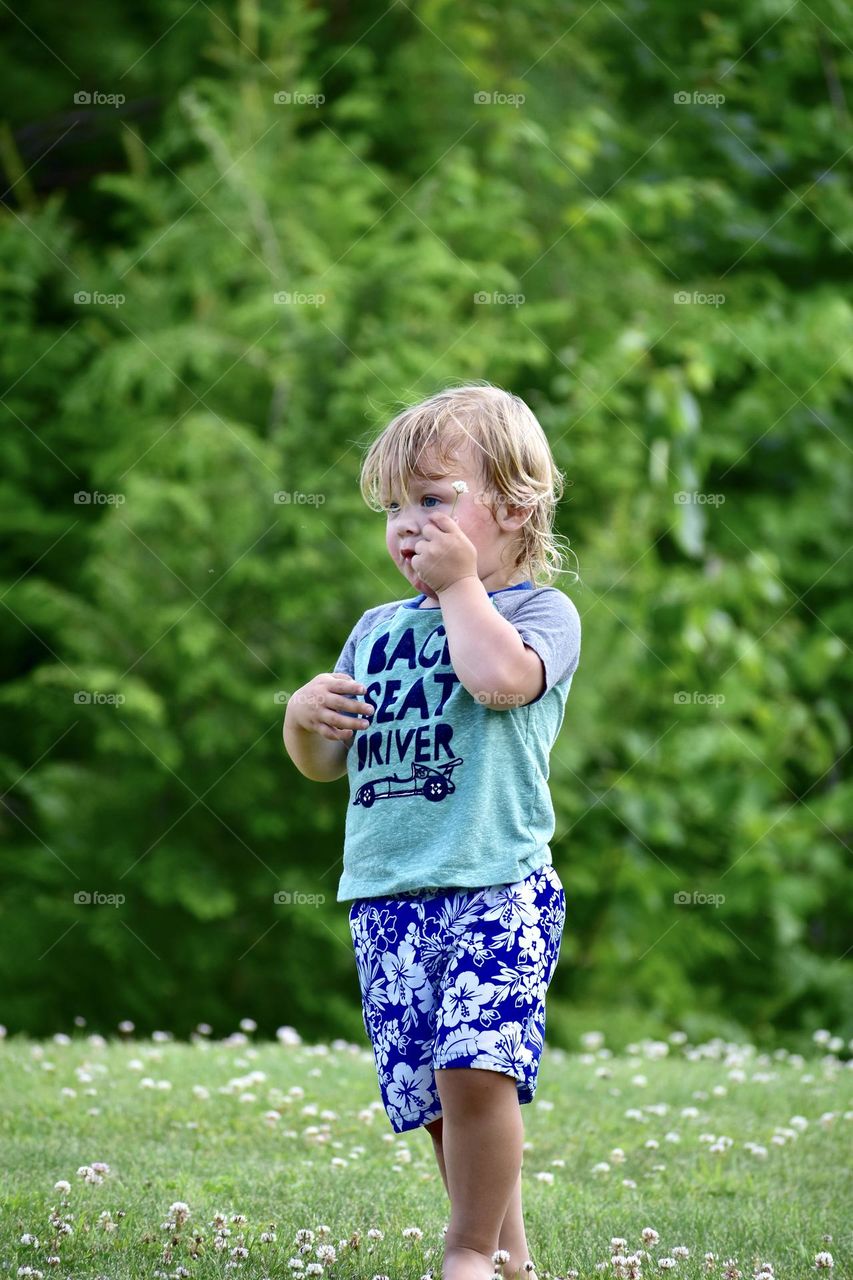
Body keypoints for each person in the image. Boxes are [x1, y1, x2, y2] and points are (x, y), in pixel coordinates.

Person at [283, 383, 582, 1280]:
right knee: (439, 1097)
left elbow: (497, 682)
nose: (408, 524)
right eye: (394, 507)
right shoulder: (374, 631)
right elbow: (324, 764)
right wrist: (303, 720)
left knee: (476, 1070)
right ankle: (509, 1258)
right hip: (388, 897)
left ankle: (463, 1254)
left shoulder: (539, 616)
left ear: (515, 505)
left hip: (497, 884)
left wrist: (458, 587)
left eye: (433, 498)